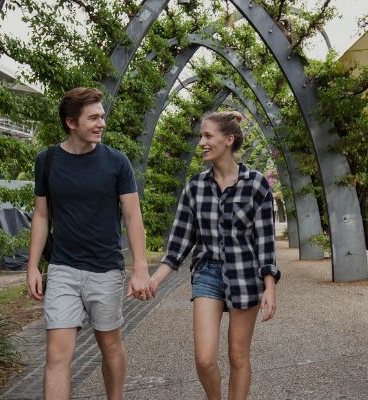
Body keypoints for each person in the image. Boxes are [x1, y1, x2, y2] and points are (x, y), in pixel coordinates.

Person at [25, 87, 154, 400]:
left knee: (109, 346)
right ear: (72, 123)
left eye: (102, 116)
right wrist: (32, 267)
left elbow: (133, 217)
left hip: (105, 270)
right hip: (63, 269)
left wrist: (140, 268)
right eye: (93, 117)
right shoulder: (47, 161)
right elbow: (42, 216)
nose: (102, 123)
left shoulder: (116, 162)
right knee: (56, 356)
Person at [150, 110, 280, 400]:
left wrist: (269, 285)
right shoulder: (195, 187)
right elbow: (179, 243)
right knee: (205, 358)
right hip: (208, 271)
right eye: (201, 136)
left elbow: (265, 242)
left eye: (208, 136)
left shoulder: (257, 184)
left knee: (238, 356)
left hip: (246, 274)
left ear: (228, 140)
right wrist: (155, 280)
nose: (201, 143)